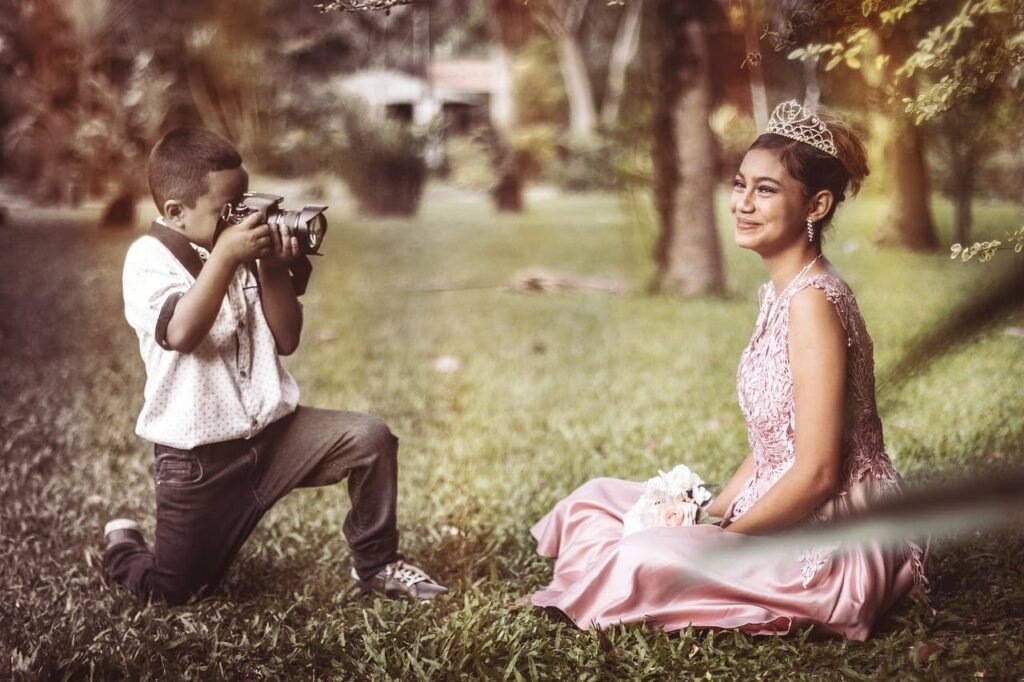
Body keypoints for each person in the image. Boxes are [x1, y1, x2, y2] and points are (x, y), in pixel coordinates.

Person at [529, 101, 926, 640]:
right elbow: (771, 444)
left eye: (765, 190)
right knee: (598, 498)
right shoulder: (782, 291)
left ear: (817, 204)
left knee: (640, 556)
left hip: (831, 528)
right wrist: (705, 512)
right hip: (779, 490)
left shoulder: (814, 304)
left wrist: (727, 531)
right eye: (740, 185)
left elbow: (818, 474)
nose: (742, 203)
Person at [104, 127, 447, 604]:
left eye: (245, 203)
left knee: (370, 437)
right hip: (201, 460)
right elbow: (181, 333)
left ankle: (378, 564)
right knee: (178, 592)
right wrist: (226, 256)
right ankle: (122, 548)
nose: (243, 219)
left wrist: (271, 266)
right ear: (175, 213)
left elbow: (287, 339)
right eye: (228, 210)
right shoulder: (148, 259)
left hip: (275, 436)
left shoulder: (241, 251)